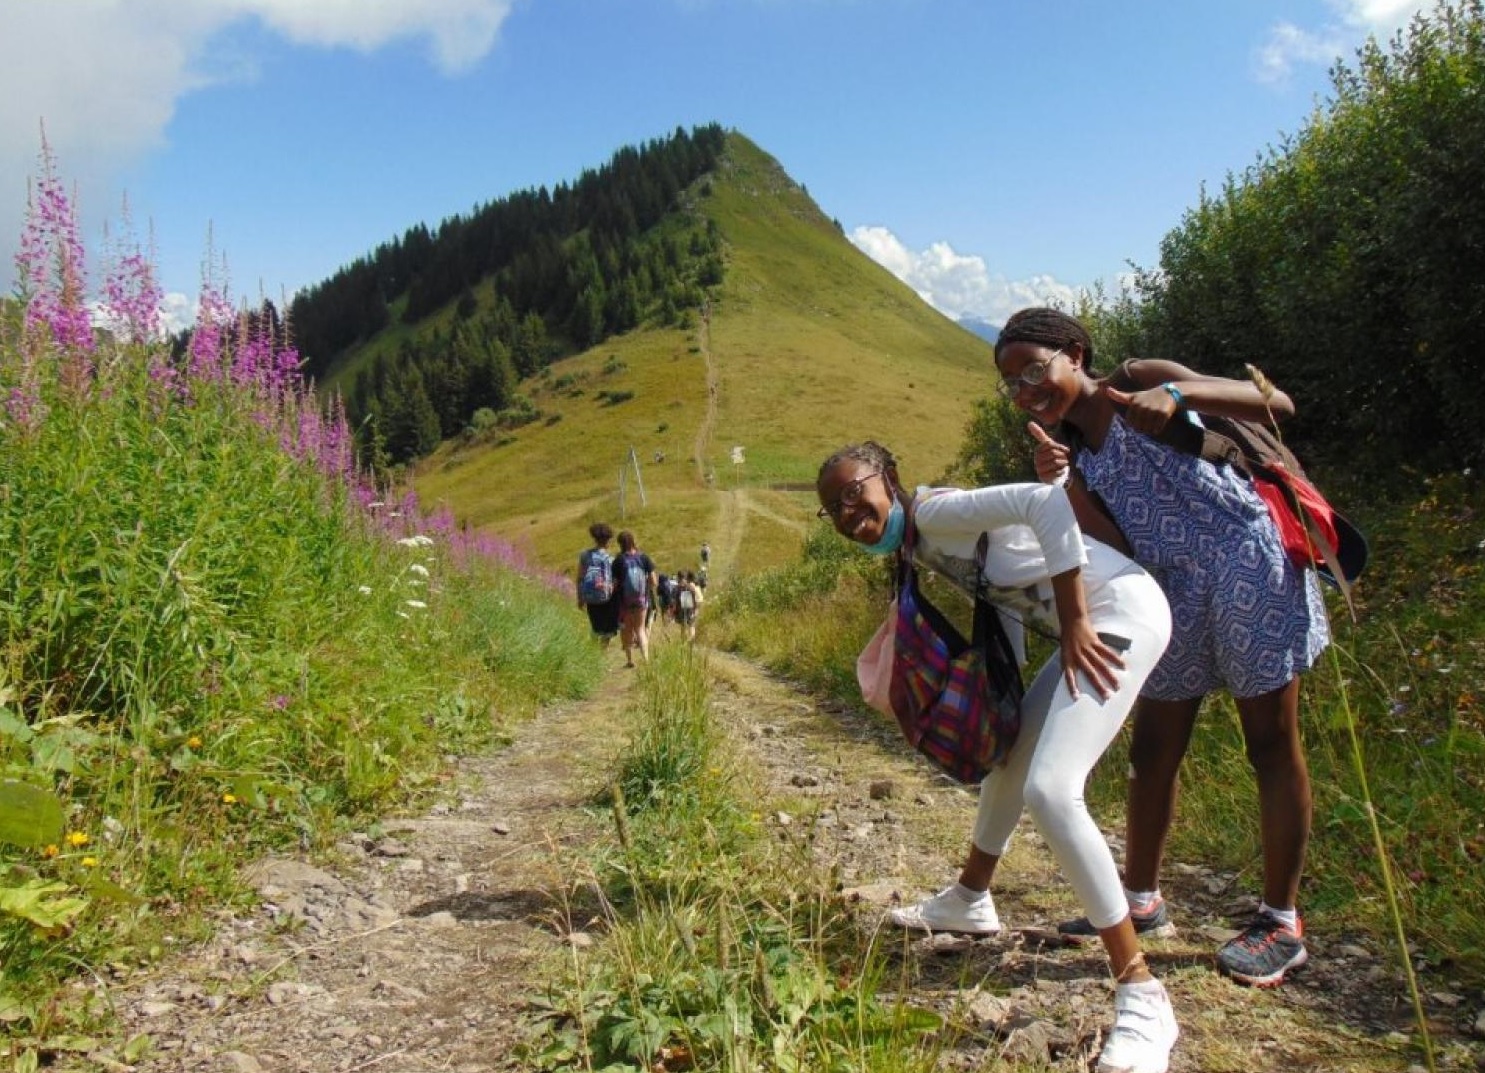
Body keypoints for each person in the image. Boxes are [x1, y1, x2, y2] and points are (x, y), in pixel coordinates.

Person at [993, 306, 1330, 988]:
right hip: (1167, 591)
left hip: (1246, 561)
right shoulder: (1075, 458)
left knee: (1268, 739)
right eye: (1014, 384)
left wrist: (1177, 395)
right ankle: (1138, 901)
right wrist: (1058, 486)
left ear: (1075, 354)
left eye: (1035, 369)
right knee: (1151, 749)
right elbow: (1113, 544)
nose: (1029, 391)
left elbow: (1276, 404)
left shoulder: (1139, 378)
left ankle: (1280, 920)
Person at [818, 441, 1178, 1073]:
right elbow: (1002, 591)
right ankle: (969, 899)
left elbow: (1045, 505)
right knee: (1009, 766)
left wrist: (1073, 621)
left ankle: (1142, 991)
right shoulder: (918, 545)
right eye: (833, 509)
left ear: (889, 478)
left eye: (855, 492)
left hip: (1120, 614)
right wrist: (1001, 705)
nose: (849, 513)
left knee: (1050, 790)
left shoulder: (933, 514)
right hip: (1097, 621)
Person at [614, 530, 657, 667]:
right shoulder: (644, 558)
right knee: (640, 629)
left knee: (626, 630)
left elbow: (614, 584)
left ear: (620, 543)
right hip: (641, 600)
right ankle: (646, 659)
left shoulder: (618, 560)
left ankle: (630, 660)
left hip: (624, 601)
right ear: (633, 541)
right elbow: (654, 581)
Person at [575, 522, 620, 647]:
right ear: (608, 540)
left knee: (595, 627)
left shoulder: (585, 556)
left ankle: (593, 655)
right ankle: (601, 653)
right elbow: (615, 581)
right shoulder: (610, 559)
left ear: (594, 538)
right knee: (607, 631)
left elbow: (580, 578)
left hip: (590, 597)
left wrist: (580, 598)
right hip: (607, 598)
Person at [675, 570, 703, 642]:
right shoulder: (690, 586)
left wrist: (676, 609)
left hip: (682, 607)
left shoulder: (678, 587)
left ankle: (683, 641)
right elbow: (694, 596)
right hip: (690, 607)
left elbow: (676, 599)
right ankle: (691, 641)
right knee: (691, 625)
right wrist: (695, 607)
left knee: (683, 626)